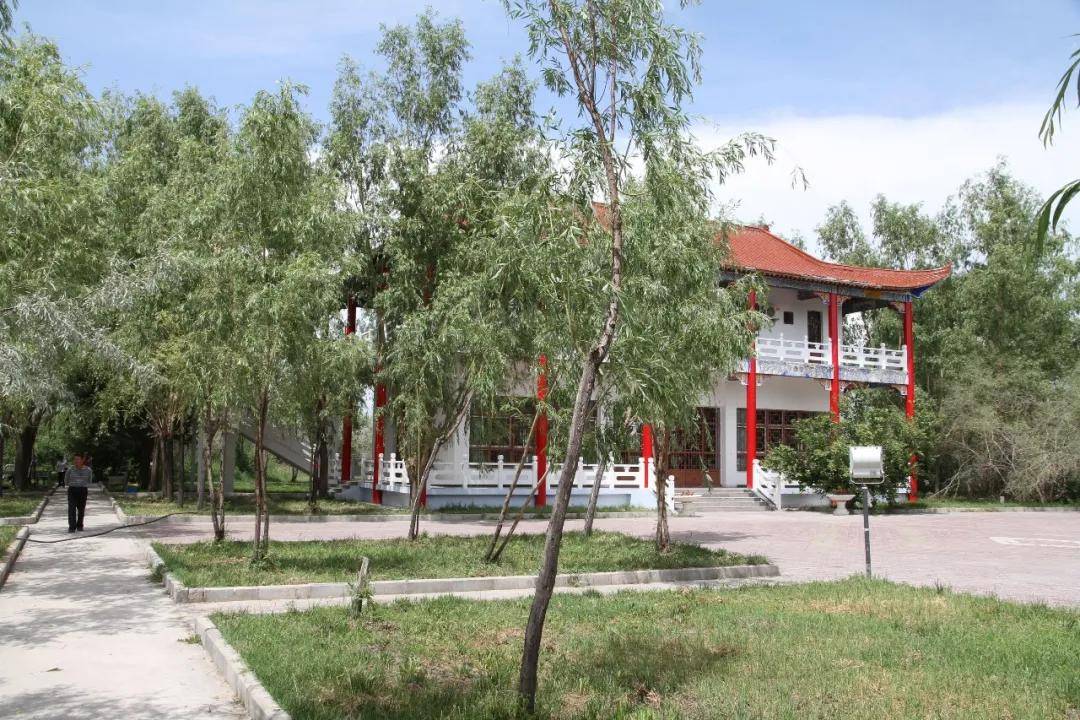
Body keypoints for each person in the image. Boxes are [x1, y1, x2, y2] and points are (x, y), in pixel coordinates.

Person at [65, 453, 93, 533]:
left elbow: (89, 481)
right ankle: (72, 527)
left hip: (82, 490)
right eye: (75, 459)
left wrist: (82, 484)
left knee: (81, 509)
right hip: (72, 490)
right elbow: (66, 480)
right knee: (71, 509)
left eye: (78, 459)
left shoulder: (88, 470)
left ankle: (80, 525)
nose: (76, 461)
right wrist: (73, 484)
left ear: (82, 460)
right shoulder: (70, 469)